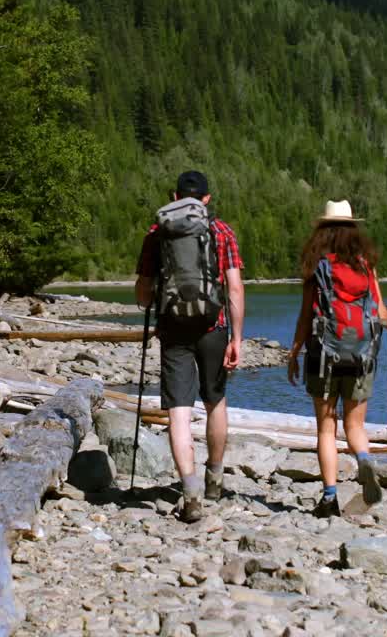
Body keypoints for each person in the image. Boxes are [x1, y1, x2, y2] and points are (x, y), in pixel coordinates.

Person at [135, 170, 245, 523]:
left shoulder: (157, 233)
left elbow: (142, 291)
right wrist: (237, 338)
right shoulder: (221, 231)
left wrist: (151, 304)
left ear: (174, 195)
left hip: (173, 329)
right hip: (214, 325)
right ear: (207, 199)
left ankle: (190, 490)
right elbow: (235, 289)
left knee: (179, 410)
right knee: (215, 401)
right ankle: (214, 477)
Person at [286, 200, 387, 518]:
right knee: (355, 424)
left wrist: (294, 353)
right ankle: (363, 457)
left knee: (325, 428)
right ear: (353, 230)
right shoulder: (365, 266)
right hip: (361, 355)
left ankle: (329, 497)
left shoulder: (317, 266)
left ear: (323, 230)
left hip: (324, 354)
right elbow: (380, 315)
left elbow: (306, 316)